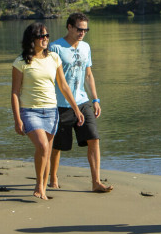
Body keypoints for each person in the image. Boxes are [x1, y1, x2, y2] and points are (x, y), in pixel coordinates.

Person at [11, 22, 84, 201]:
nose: (45, 39)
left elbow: (63, 86)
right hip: (30, 111)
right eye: (41, 36)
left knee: (45, 151)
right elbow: (14, 92)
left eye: (47, 36)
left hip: (51, 111)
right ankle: (38, 186)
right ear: (32, 39)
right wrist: (17, 119)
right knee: (43, 147)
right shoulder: (21, 62)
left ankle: (43, 188)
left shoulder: (53, 58)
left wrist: (76, 109)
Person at [48, 13, 113, 193]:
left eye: (85, 29)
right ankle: (52, 177)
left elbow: (88, 74)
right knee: (58, 146)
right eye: (79, 29)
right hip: (60, 105)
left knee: (93, 138)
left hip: (83, 102)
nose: (82, 32)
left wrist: (95, 99)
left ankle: (96, 182)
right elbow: (53, 79)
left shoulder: (85, 47)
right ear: (69, 27)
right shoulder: (55, 48)